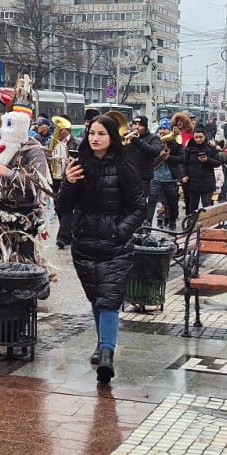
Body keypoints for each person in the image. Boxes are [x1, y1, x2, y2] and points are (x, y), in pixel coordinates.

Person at [56, 115, 148, 385]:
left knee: (109, 298)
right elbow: (62, 207)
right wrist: (68, 183)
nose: (95, 138)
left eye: (101, 134)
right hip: (85, 244)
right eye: (92, 133)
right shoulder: (79, 165)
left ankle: (107, 353)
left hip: (114, 245)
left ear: (112, 137)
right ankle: (101, 344)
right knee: (97, 296)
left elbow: (139, 208)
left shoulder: (124, 166)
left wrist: (119, 231)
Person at [0, 95, 54, 275]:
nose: (6, 130)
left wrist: (9, 173)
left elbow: (38, 181)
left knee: (26, 260)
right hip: (1, 211)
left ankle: (28, 287)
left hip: (24, 212)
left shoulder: (33, 150)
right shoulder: (4, 146)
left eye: (11, 125)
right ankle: (1, 286)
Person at [181, 127, 221, 220]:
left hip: (207, 181)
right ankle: (192, 222)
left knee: (206, 204)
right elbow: (184, 163)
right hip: (193, 182)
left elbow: (218, 162)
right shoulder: (189, 148)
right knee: (193, 205)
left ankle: (207, 223)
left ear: (204, 136)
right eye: (196, 137)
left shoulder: (210, 147)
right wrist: (184, 175)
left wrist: (208, 160)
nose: (198, 139)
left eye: (200, 137)